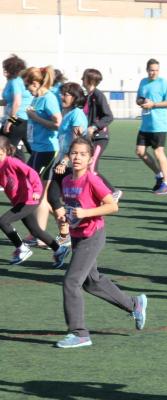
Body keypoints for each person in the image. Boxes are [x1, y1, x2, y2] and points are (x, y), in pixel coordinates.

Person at [54, 137, 147, 348]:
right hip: (78, 235)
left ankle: (79, 333)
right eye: (74, 153)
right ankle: (134, 304)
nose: (77, 157)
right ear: (68, 156)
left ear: (89, 159)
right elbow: (74, 208)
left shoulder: (92, 180)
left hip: (92, 236)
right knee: (91, 281)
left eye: (82, 154)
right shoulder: (68, 180)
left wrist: (87, 212)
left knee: (71, 282)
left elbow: (112, 206)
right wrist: (67, 218)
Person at [0, 136, 68, 267]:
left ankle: (22, 249)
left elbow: (32, 173)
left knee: (3, 221)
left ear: (6, 151)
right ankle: (59, 250)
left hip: (29, 199)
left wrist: (37, 190)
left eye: (0, 154)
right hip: (19, 202)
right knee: (36, 231)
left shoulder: (11, 162)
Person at [23, 66, 62, 244]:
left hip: (48, 149)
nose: (26, 89)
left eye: (28, 85)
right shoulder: (36, 97)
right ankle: (64, 224)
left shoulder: (49, 98)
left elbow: (57, 123)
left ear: (36, 83)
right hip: (37, 148)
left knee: (38, 192)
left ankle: (40, 235)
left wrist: (35, 117)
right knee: (35, 191)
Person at [47, 82, 89, 248]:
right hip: (62, 161)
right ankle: (65, 234)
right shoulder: (67, 112)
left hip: (71, 164)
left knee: (69, 200)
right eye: (62, 93)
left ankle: (72, 234)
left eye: (66, 94)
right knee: (53, 196)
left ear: (75, 97)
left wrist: (64, 161)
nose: (62, 97)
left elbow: (76, 142)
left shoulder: (77, 114)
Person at [135, 58, 167, 195]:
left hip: (159, 124)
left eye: (156, 70)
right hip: (146, 124)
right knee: (140, 151)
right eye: (151, 70)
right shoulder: (143, 82)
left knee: (158, 152)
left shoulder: (163, 83)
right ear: (147, 70)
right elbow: (138, 99)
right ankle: (159, 175)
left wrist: (154, 104)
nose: (154, 73)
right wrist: (143, 101)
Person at [80, 68, 120, 201]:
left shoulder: (98, 95)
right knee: (87, 167)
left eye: (84, 77)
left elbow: (109, 116)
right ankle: (94, 193)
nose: (81, 79)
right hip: (90, 139)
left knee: (91, 168)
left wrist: (95, 127)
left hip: (100, 138)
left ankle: (113, 191)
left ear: (90, 80)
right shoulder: (87, 97)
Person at [1, 54, 33, 161]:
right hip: (23, 120)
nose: (4, 71)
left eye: (6, 68)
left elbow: (17, 102)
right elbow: (8, 101)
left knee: (7, 146)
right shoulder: (15, 81)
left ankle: (18, 169)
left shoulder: (15, 81)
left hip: (17, 120)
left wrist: (10, 121)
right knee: (24, 148)